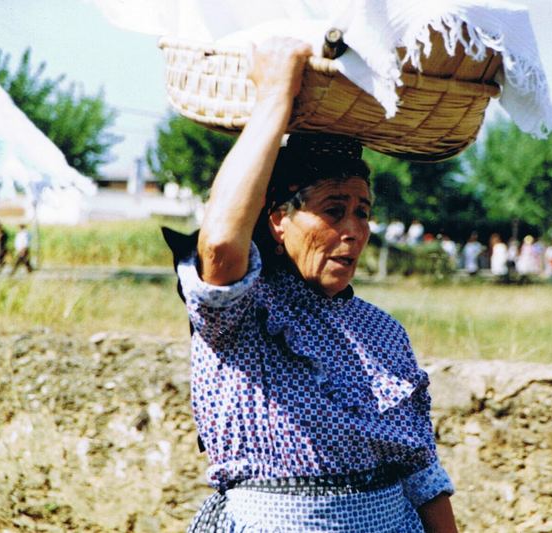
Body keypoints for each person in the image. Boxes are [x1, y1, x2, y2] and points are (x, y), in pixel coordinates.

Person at [164, 39, 457, 533]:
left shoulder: (382, 333)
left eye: (362, 212)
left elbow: (421, 472)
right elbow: (217, 245)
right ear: (278, 221)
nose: (354, 231)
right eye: (332, 209)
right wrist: (275, 98)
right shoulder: (243, 316)